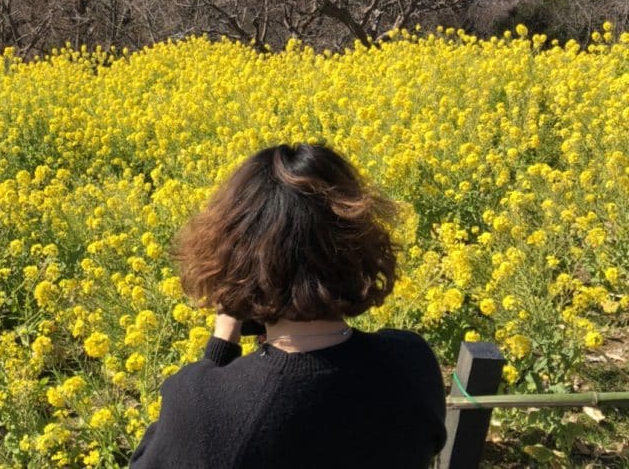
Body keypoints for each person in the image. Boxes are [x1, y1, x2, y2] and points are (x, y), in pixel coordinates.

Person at [130, 143, 446, 468]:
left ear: (235, 261)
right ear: (359, 245)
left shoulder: (203, 407)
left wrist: (219, 351)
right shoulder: (411, 363)